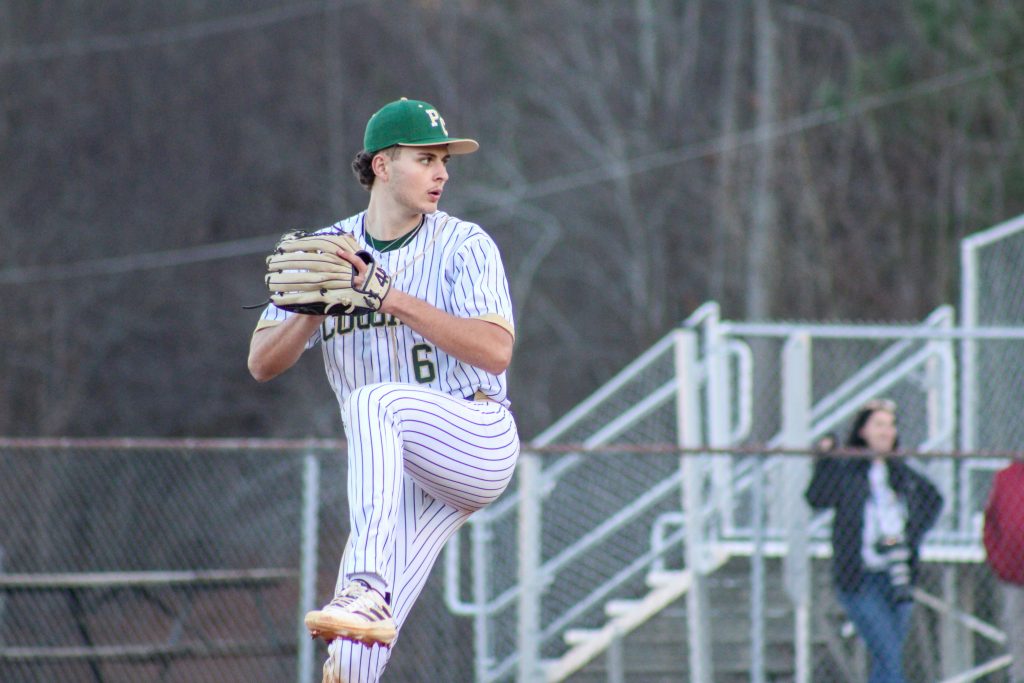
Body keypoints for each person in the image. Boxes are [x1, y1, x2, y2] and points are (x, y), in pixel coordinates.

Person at [247, 98, 520, 682]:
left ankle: (364, 584)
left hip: (477, 438)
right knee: (352, 649)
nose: (442, 173)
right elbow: (261, 363)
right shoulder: (330, 250)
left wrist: (388, 295)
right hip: (404, 474)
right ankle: (363, 601)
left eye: (443, 160)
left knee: (376, 401)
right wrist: (310, 310)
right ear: (382, 166)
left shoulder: (463, 245)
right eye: (426, 159)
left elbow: (496, 351)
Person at [805, 398, 943, 683]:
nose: (886, 432)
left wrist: (909, 534)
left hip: (897, 574)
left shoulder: (900, 472)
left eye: (890, 426)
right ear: (863, 430)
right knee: (887, 648)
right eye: (879, 425)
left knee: (888, 654)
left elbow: (934, 499)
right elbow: (817, 497)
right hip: (860, 577)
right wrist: (824, 462)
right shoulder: (848, 471)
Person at [983, 458, 1024, 683]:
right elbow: (990, 524)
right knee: (1019, 643)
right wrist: (1001, 563)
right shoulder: (1006, 478)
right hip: (1016, 580)